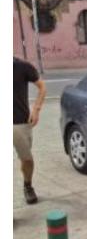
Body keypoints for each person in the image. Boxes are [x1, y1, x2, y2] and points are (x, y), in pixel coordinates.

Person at [13, 57, 46, 204]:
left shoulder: (21, 66)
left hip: (19, 122)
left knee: (26, 160)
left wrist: (36, 109)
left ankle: (27, 185)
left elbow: (42, 87)